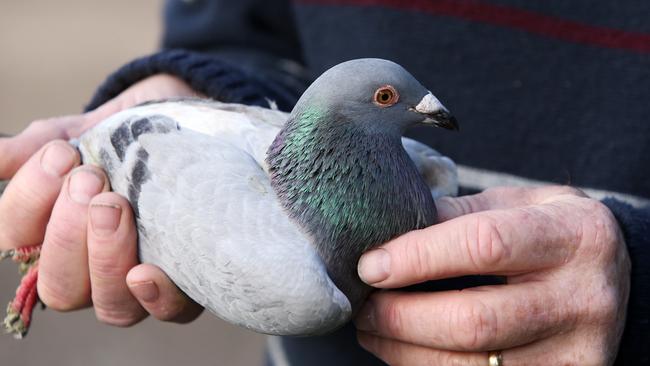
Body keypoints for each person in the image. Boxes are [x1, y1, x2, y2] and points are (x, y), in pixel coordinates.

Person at [0, 0, 648, 364]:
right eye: (397, 97)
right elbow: (242, 34)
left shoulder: (423, 172)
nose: (429, 112)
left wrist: (640, 277)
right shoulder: (301, 289)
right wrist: (206, 82)